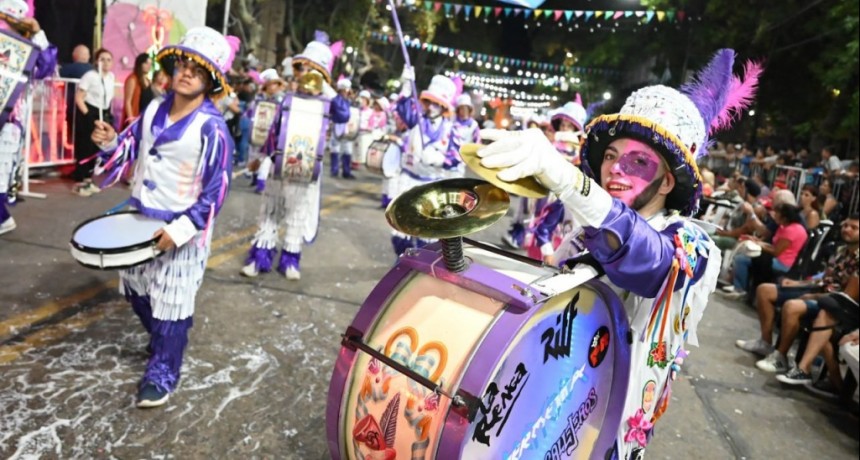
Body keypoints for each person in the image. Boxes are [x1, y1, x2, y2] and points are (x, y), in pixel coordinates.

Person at [478, 49, 760, 458]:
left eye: (638, 161)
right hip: (543, 409)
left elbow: (647, 263)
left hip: (603, 435)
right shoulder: (585, 229)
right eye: (611, 156)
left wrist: (570, 182)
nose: (615, 168)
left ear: (667, 183)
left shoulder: (692, 245)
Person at [89, 26, 237, 407]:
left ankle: (164, 370)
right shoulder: (153, 107)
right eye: (181, 63)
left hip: (180, 230)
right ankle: (163, 343)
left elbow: (215, 191)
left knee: (173, 304)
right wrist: (109, 143)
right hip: (140, 220)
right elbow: (128, 146)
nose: (186, 72)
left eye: (197, 68)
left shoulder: (213, 128)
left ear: (211, 80)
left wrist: (182, 228)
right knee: (136, 290)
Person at [240, 31, 350, 280]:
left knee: (297, 216)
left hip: (306, 169)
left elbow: (344, 115)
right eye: (300, 67)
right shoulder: (287, 99)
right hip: (280, 165)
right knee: (270, 212)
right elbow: (274, 130)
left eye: (310, 69)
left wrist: (327, 88)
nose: (303, 73)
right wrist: (264, 157)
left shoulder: (327, 102)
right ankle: (259, 259)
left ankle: (290, 261)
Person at [737, 214, 859, 373]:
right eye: (845, 225)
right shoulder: (841, 250)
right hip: (818, 289)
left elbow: (845, 297)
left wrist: (814, 296)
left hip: (833, 303)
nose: (846, 230)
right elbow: (825, 276)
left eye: (854, 228)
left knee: (792, 306)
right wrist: (799, 283)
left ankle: (780, 357)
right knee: (764, 290)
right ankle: (765, 343)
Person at [0, 0, 57, 235]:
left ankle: (2, 219)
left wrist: (37, 33)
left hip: (8, 122)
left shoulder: (29, 52)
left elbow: (46, 65)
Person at [389, 71, 455, 255]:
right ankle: (404, 258)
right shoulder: (415, 119)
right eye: (429, 102)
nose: (432, 107)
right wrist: (407, 85)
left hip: (431, 183)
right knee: (401, 229)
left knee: (427, 232)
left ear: (443, 106)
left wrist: (437, 159)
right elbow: (401, 107)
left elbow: (455, 159)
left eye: (437, 104)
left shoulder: (450, 130)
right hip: (409, 179)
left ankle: (419, 265)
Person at [722, 203, 808, 298]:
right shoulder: (784, 227)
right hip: (775, 257)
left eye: (777, 214)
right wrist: (756, 240)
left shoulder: (791, 230)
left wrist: (758, 244)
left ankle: (740, 288)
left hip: (781, 263)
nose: (774, 216)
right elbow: (773, 245)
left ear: (784, 217)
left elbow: (776, 251)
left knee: (741, 259)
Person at [72, 48, 115, 196]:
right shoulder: (90, 76)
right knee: (85, 146)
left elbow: (108, 99)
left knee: (95, 148)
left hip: (103, 112)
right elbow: (79, 98)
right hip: (89, 112)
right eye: (102, 59)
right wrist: (90, 116)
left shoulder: (110, 78)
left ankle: (88, 179)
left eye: (109, 60)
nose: (105, 63)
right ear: (96, 61)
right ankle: (79, 182)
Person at [445, 93, 480, 178]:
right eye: (461, 108)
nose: (463, 111)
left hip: (461, 160)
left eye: (466, 108)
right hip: (447, 157)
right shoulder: (451, 121)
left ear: (469, 110)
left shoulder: (473, 125)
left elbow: (477, 143)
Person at [329, 78, 356, 179]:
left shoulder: (348, 101)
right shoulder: (336, 100)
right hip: (337, 125)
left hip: (347, 126)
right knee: (335, 148)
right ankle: (336, 170)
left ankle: (345, 171)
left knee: (347, 150)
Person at [121, 53, 153, 129]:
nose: (149, 66)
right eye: (146, 63)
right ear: (140, 64)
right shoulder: (133, 79)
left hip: (145, 119)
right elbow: (128, 102)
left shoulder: (148, 81)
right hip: (135, 118)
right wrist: (131, 120)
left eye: (150, 64)